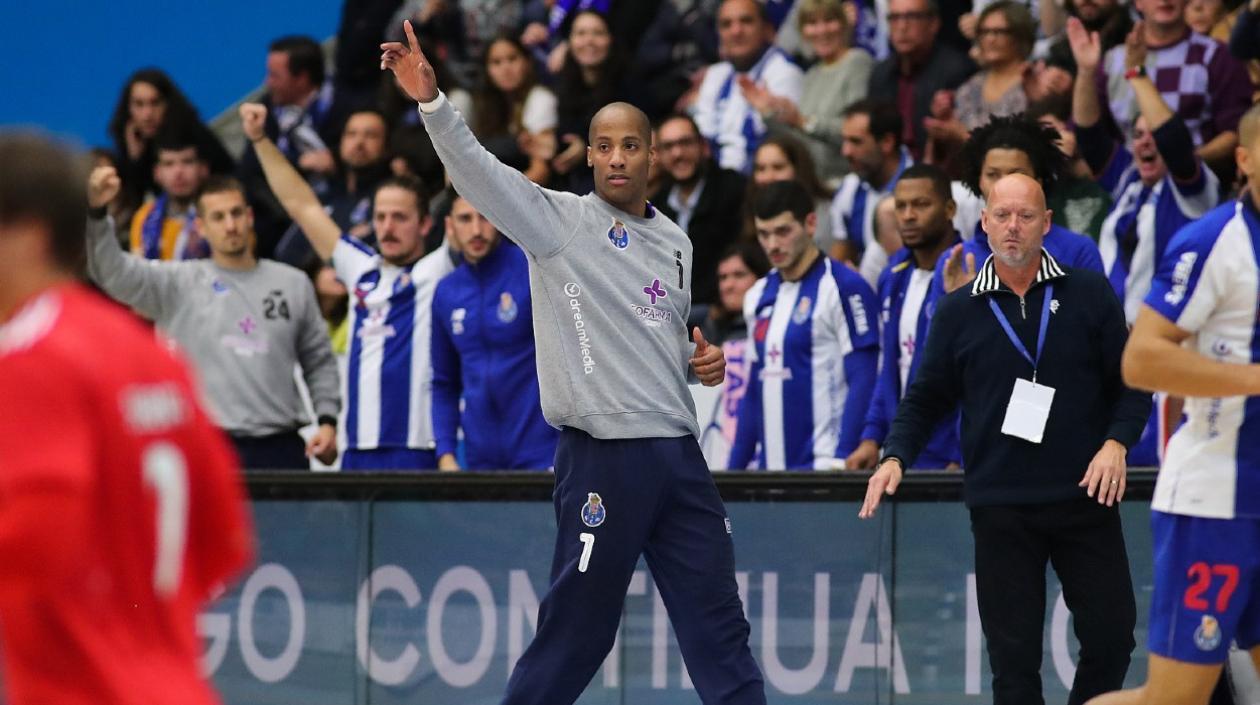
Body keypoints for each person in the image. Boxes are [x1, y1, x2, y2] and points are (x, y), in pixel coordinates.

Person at [382, 19, 765, 705]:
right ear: (588, 157)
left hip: (679, 458)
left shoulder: (677, 241)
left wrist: (694, 358)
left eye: (631, 146)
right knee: (577, 633)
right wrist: (434, 104)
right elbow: (478, 170)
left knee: (719, 627)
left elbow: (655, 333)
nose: (618, 157)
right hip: (601, 460)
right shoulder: (557, 222)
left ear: (653, 156)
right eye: (605, 146)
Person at [861, 173, 1150, 705]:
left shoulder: (1087, 292)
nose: (1013, 227)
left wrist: (1117, 443)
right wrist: (895, 454)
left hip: (1084, 498)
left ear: (1046, 224)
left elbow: (1132, 383)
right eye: (1002, 216)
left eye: (1025, 216)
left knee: (1112, 639)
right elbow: (924, 397)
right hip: (1001, 507)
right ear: (983, 224)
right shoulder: (957, 310)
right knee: (1013, 666)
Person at [0, 132, 253, 705]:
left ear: (28, 235)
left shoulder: (31, 355)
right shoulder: (151, 355)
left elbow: (35, 537)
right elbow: (225, 540)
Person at [1083, 103, 1260, 705]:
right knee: (1173, 701)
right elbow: (1142, 360)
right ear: (1245, 159)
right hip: (1214, 502)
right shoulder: (1216, 241)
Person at [242, 103, 455, 471]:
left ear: (425, 225)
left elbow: (478, 200)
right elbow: (301, 205)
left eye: (400, 218)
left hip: (418, 452)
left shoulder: (438, 270)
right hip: (355, 453)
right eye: (380, 217)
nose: (387, 227)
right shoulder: (360, 269)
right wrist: (261, 140)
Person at [85, 169, 341, 471]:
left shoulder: (293, 283)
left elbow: (319, 361)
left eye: (236, 214)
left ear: (249, 217)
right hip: (205, 444)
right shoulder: (176, 282)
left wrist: (327, 421)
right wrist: (97, 214)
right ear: (201, 227)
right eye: (218, 218)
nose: (230, 226)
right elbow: (112, 272)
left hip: (279, 445)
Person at [730, 179, 879, 470]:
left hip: (825, 469)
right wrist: (732, 471)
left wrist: (842, 459)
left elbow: (864, 376)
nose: (772, 245)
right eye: (764, 234)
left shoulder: (845, 287)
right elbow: (752, 392)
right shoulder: (757, 295)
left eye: (783, 231)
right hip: (769, 472)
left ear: (810, 224)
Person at [847, 164, 963, 471]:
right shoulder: (892, 275)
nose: (908, 215)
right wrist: (872, 438)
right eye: (901, 206)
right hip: (900, 453)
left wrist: (962, 453)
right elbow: (888, 367)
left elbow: (977, 374)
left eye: (921, 204)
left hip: (950, 458)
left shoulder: (969, 270)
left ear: (949, 209)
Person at [431, 192, 558, 470]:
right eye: (465, 219)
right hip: (479, 457)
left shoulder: (532, 271)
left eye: (485, 217)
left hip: (542, 452)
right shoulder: (446, 291)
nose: (476, 230)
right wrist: (445, 452)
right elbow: (444, 382)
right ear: (450, 226)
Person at [938, 113, 1104, 296]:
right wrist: (959, 305)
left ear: (1038, 181)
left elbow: (1100, 322)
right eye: (993, 174)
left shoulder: (1078, 251)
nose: (1004, 183)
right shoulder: (954, 262)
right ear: (979, 181)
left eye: (1015, 173)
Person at [1098, 0, 1252, 172]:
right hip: (1129, 187)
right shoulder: (1112, 61)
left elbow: (1237, 131)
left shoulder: (1217, 55)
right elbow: (1092, 135)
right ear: (1138, 3)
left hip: (1200, 187)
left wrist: (1185, 164)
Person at [747, 0, 874, 185]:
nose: (821, 30)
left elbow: (857, 133)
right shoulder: (812, 74)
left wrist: (801, 120)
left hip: (848, 183)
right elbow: (801, 142)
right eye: (812, 23)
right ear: (802, 31)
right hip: (814, 186)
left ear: (843, 23)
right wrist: (768, 113)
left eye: (829, 20)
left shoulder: (858, 62)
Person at [106, 68, 235, 219]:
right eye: (139, 104)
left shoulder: (194, 134)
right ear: (128, 108)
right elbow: (133, 206)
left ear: (168, 103)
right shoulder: (128, 143)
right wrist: (135, 160)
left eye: (155, 103)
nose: (147, 114)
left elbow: (230, 176)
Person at [692, 0, 804, 173]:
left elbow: (787, 146)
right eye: (726, 24)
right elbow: (702, 134)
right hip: (714, 182)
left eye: (746, 21)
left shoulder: (784, 72)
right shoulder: (715, 74)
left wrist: (769, 112)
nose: (736, 31)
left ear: (767, 30)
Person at [651, 113, 748, 306]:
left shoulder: (733, 189)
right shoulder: (655, 207)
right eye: (668, 147)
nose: (678, 154)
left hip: (720, 309)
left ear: (703, 147)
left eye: (685, 143)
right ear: (659, 156)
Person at [866, 0, 976, 160]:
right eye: (894, 18)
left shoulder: (958, 70)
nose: (902, 27)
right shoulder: (880, 73)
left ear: (933, 24)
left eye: (912, 17)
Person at [829, 99, 914, 270]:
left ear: (887, 142)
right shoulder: (850, 187)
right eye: (844, 141)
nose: (845, 151)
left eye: (856, 142)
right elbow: (841, 253)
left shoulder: (922, 190)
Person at [471, 35, 558, 185]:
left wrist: (498, 195)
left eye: (512, 59)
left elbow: (541, 170)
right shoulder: (485, 106)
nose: (506, 68)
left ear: (527, 62)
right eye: (496, 62)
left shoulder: (540, 99)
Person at [129, 130, 211, 261]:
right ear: (157, 173)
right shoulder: (144, 216)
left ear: (203, 169)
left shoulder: (222, 212)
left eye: (187, 161)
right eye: (169, 164)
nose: (178, 172)